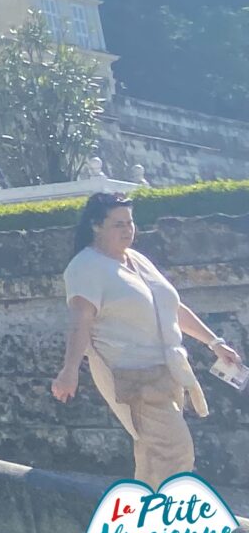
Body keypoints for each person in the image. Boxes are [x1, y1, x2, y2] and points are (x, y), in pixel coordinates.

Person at [52, 192, 237, 486]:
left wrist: (214, 342)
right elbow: (80, 323)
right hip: (132, 379)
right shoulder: (85, 267)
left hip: (166, 372)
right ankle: (169, 524)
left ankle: (143, 527)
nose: (128, 229)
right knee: (176, 451)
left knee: (154, 455)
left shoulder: (136, 259)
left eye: (130, 222)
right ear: (96, 226)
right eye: (118, 224)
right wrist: (70, 370)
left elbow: (171, 307)